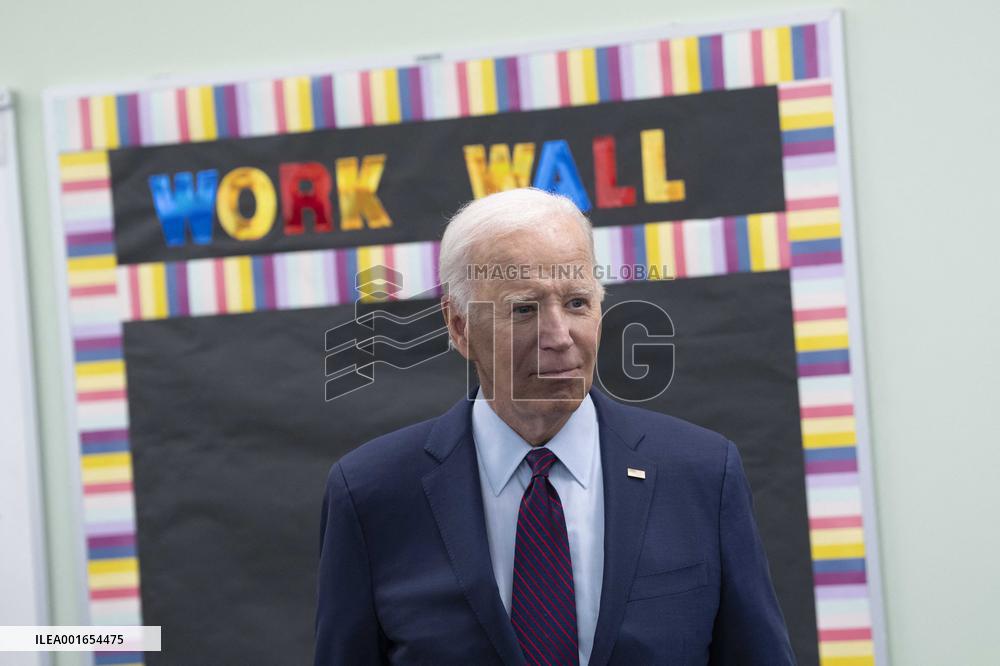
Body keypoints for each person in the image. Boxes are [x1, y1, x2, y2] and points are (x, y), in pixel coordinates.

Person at [314, 188, 795, 665]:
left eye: (578, 303)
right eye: (524, 309)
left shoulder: (703, 475)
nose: (560, 337)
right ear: (459, 326)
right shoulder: (372, 494)